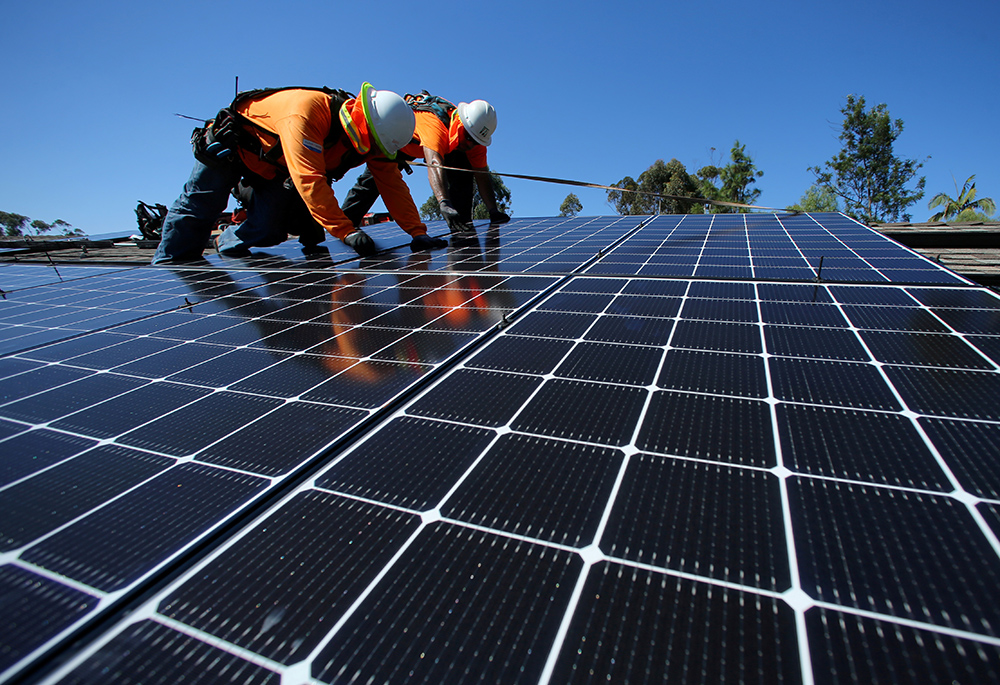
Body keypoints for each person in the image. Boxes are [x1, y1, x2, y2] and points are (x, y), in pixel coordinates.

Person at [152, 83, 446, 264]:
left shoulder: (376, 141)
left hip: (274, 170)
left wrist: (417, 233)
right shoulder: (306, 112)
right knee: (199, 207)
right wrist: (347, 232)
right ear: (365, 123)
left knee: (269, 229)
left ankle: (225, 244)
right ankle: (167, 271)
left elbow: (392, 185)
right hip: (230, 150)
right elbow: (310, 180)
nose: (373, 154)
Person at [340, 91, 510, 235]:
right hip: (399, 141)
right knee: (371, 182)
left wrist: (493, 211)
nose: (471, 144)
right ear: (461, 123)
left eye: (476, 140)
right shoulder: (435, 125)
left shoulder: (474, 140)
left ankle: (461, 226)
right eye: (468, 137)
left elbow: (482, 175)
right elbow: (435, 163)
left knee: (464, 171)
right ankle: (345, 226)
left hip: (440, 147)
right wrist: (444, 203)